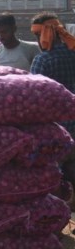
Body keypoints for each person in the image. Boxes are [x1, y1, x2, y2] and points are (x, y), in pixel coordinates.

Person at [29, 11, 75, 204]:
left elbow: (34, 96)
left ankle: (57, 213)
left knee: (54, 171)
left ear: (45, 34)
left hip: (57, 127)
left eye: (37, 36)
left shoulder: (43, 60)